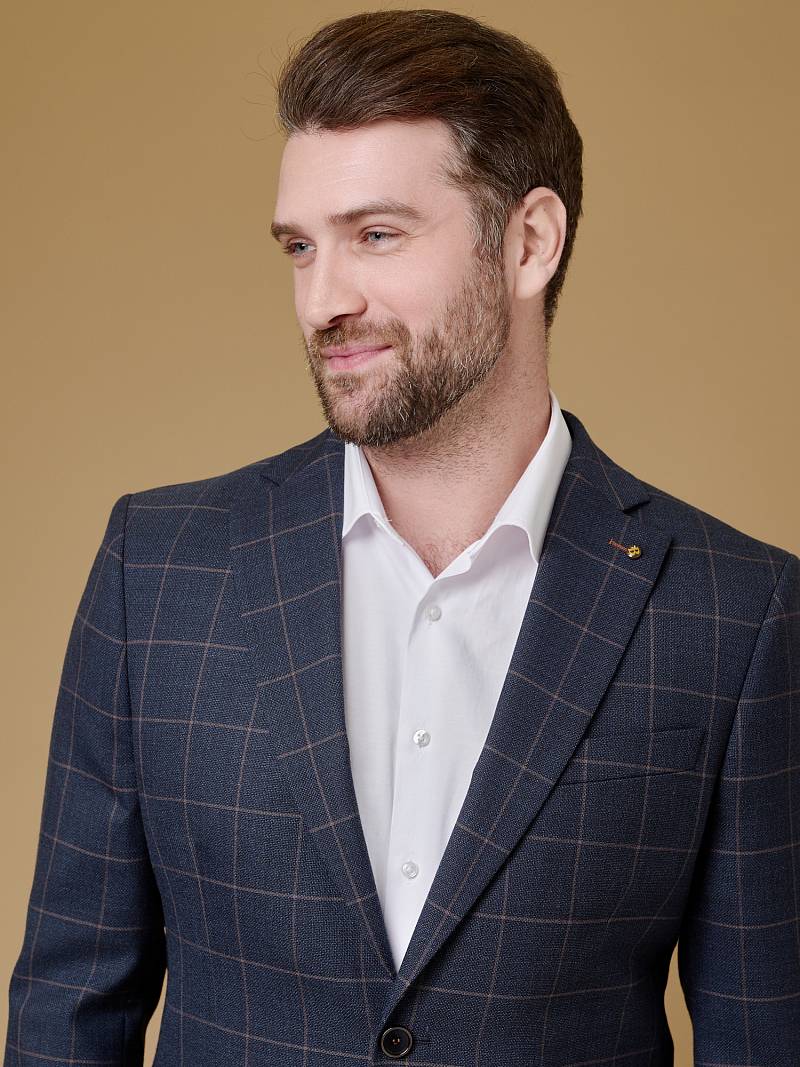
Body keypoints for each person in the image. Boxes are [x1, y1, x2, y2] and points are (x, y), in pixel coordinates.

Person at [5, 8, 799, 1066]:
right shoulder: (156, 569)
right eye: (301, 246)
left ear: (528, 242)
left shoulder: (734, 612)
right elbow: (66, 1014)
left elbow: (764, 1032)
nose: (322, 300)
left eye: (376, 235)